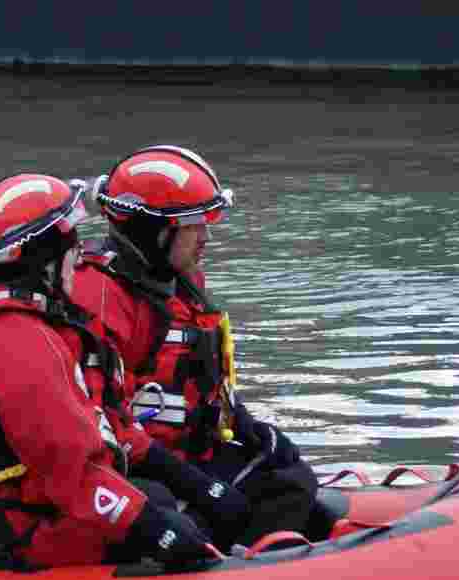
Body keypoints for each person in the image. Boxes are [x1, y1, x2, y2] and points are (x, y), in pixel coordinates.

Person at [0, 173, 222, 569]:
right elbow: (72, 472)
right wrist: (158, 529)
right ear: (44, 260)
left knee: (154, 498)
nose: (80, 256)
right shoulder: (19, 339)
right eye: (72, 246)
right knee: (161, 516)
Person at [66, 145, 330, 548]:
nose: (206, 236)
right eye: (193, 225)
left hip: (184, 454)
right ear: (150, 231)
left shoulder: (180, 283)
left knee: (290, 479)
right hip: (135, 471)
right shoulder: (97, 297)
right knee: (193, 516)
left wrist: (249, 427)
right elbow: (102, 426)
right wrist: (198, 487)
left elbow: (202, 376)